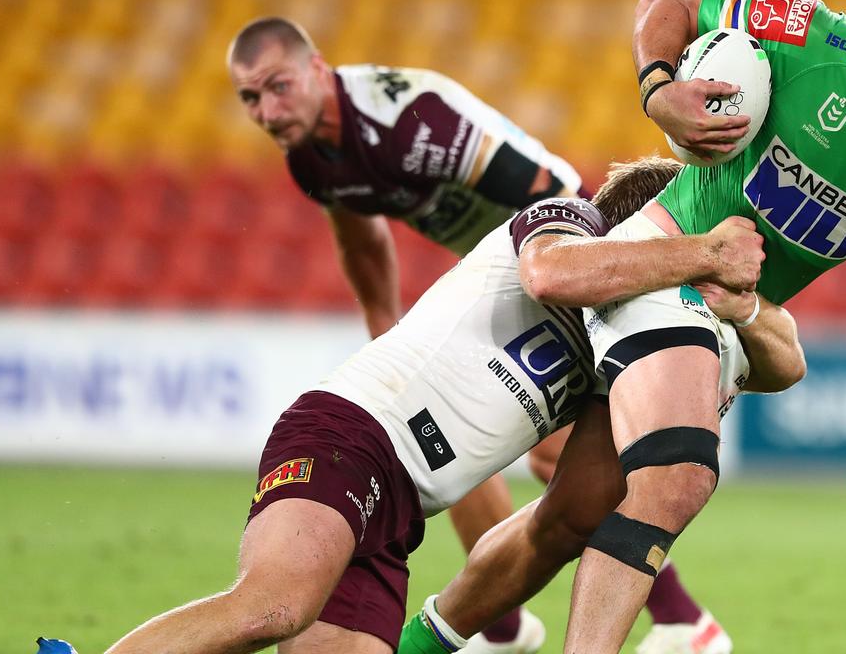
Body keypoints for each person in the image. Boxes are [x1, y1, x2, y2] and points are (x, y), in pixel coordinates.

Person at [96, 158, 805, 654]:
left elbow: (784, 364)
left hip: (400, 512)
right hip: (350, 438)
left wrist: (737, 304)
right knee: (273, 606)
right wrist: (701, 255)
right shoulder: (564, 221)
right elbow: (552, 274)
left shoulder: (623, 332)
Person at [524, 0, 846, 651]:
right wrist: (660, 93)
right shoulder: (809, 35)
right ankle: (681, 627)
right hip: (659, 262)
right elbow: (669, 4)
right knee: (670, 475)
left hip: (723, 312)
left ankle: (456, 631)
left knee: (568, 517)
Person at [227, 18, 727, 651]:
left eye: (279, 87)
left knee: (562, 460)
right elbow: (359, 228)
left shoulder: (410, 123)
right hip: (509, 276)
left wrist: (592, 279)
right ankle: (510, 622)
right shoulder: (311, 153)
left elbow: (555, 193)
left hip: (563, 261)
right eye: (250, 98)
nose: (268, 112)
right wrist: (384, 323)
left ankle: (681, 620)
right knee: (441, 429)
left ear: (317, 69)